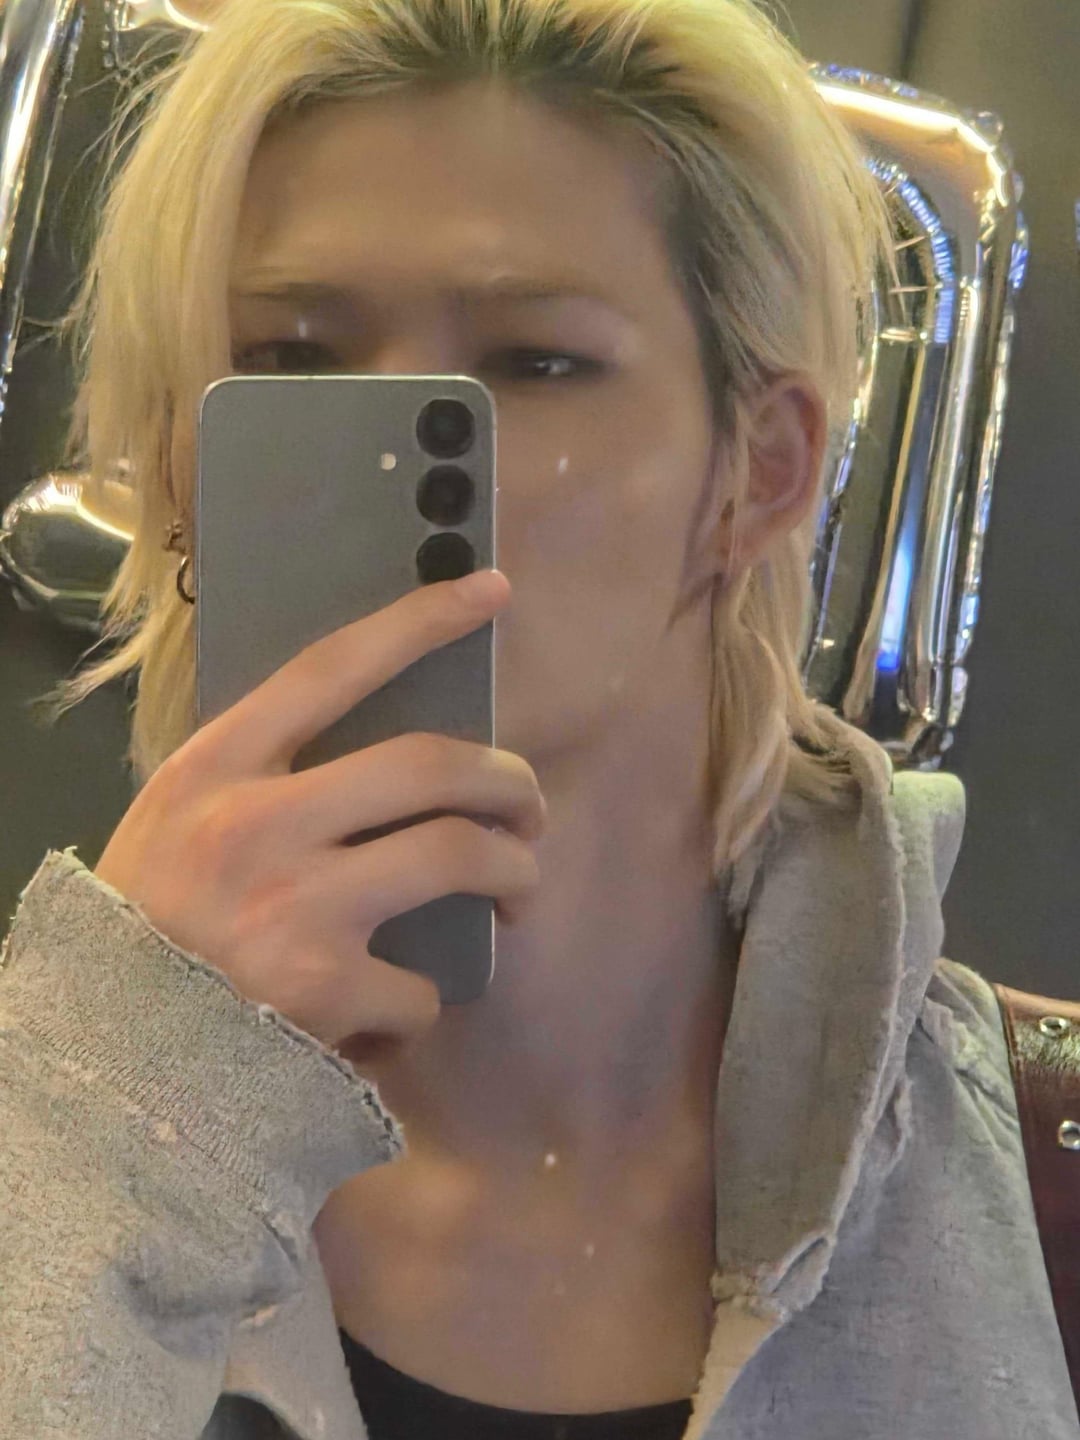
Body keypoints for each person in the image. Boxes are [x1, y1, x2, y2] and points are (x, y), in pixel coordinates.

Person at [0, 0, 1074, 1436]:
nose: (398, 451)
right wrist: (120, 1125)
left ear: (759, 471)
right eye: (295, 360)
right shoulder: (50, 1117)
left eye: (534, 359)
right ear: (183, 466)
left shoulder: (1038, 1176)